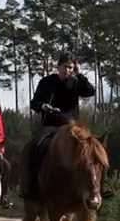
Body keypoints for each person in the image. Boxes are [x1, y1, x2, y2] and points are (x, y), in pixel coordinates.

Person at [19, 51, 96, 200]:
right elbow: (34, 103)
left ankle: (94, 189)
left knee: (92, 149)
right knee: (34, 146)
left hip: (72, 127)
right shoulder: (47, 82)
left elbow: (90, 91)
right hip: (51, 125)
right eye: (66, 67)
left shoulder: (76, 82)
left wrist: (79, 75)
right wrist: (44, 106)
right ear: (59, 66)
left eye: (71, 68)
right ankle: (30, 186)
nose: (68, 70)